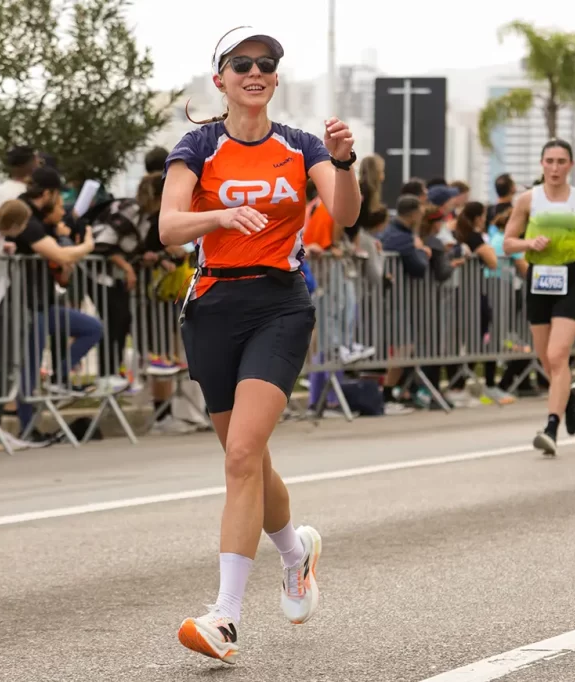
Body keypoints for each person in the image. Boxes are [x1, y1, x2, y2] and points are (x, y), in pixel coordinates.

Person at [160, 26, 361, 664]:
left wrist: (345, 164)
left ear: (275, 77)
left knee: (243, 455)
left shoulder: (301, 146)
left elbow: (346, 214)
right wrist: (218, 216)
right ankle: (296, 555)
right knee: (247, 459)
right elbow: (168, 227)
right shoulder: (198, 146)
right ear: (219, 79)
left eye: (266, 63)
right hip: (213, 307)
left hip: (280, 305)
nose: (255, 72)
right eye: (242, 63)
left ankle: (225, 617)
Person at [503, 139, 575, 456]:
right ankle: (570, 398)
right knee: (546, 359)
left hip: (572, 278)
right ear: (542, 164)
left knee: (558, 354)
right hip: (539, 279)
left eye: (561, 161)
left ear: (570, 165)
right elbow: (508, 242)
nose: (555, 167)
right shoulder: (527, 200)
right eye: (549, 161)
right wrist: (529, 243)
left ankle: (551, 427)